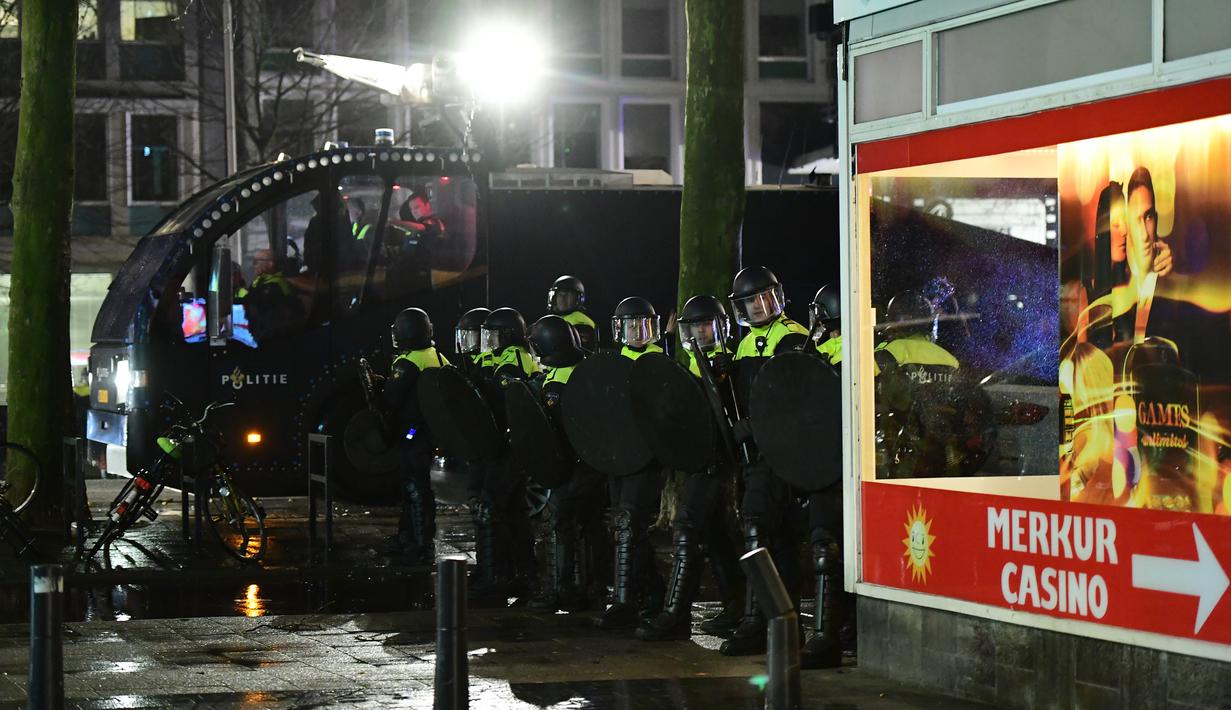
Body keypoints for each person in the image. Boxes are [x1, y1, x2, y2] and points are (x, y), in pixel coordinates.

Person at [636, 295, 746, 642]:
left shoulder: (729, 361)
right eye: (695, 325)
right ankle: (736, 607)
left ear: (720, 326)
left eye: (706, 324)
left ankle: (676, 614)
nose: (701, 330)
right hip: (702, 459)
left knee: (687, 527)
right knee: (714, 534)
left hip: (720, 460)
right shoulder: (696, 362)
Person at [721, 265, 810, 656]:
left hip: (783, 451)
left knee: (756, 523)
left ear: (777, 296)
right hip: (756, 453)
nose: (758, 307)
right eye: (749, 303)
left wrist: (753, 426)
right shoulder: (744, 344)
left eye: (762, 298)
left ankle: (758, 621)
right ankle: (782, 622)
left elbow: (792, 398)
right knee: (778, 538)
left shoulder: (791, 336)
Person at [525, 315, 607, 612]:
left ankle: (557, 590)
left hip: (575, 465)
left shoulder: (557, 383)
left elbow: (554, 432)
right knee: (591, 524)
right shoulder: (586, 368)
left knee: (556, 517)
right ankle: (592, 589)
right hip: (597, 462)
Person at [596, 296, 666, 631]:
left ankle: (628, 600)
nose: (638, 332)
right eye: (630, 325)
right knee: (625, 528)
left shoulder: (658, 361)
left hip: (645, 458)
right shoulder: (612, 362)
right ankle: (650, 592)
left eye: (644, 325)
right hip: (618, 456)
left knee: (630, 522)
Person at [469, 307, 539, 600]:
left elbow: (503, 402)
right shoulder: (499, 358)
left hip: (509, 447)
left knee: (489, 507)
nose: (489, 340)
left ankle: (492, 577)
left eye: (493, 334)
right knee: (514, 512)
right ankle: (522, 574)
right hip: (505, 446)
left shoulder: (514, 361)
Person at [380, 308, 449, 563]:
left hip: (413, 432)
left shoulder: (408, 362)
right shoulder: (437, 356)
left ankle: (420, 543)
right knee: (413, 484)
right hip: (430, 431)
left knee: (415, 486)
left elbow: (391, 397)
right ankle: (407, 537)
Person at [546, 275, 599, 352]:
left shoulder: (581, 322)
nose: (562, 299)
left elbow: (582, 354)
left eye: (568, 295)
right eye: (560, 294)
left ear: (578, 299)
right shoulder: (558, 319)